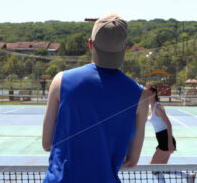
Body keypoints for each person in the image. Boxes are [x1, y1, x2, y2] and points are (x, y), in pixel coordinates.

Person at [42, 13, 149, 183]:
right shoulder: (141, 95)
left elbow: (47, 143)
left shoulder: (60, 81)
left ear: (91, 44)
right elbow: (132, 160)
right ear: (126, 47)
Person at [147, 85, 195, 183]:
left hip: (166, 140)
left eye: (147, 92)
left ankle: (187, 176)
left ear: (154, 93)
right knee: (160, 169)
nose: (145, 94)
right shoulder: (149, 107)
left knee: (153, 167)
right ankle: (187, 176)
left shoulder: (158, 107)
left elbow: (169, 125)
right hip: (161, 140)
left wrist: (170, 143)